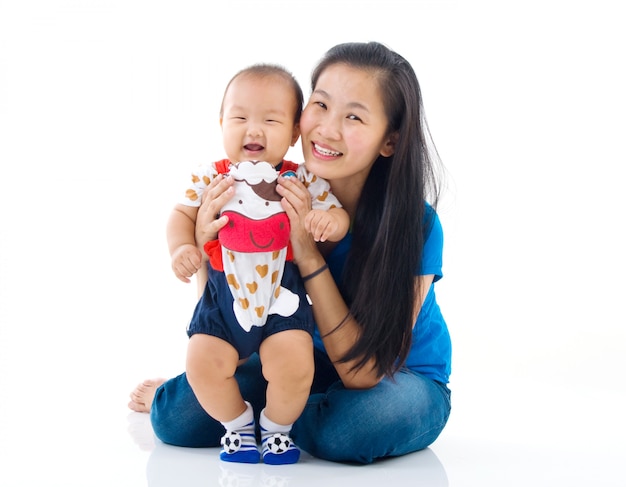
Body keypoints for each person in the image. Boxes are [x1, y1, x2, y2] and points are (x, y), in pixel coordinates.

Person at [129, 41, 452, 465]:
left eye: (353, 116)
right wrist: (214, 247)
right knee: (178, 420)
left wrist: (309, 254)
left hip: (394, 377)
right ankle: (280, 410)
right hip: (297, 352)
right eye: (320, 104)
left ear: (389, 140)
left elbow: (365, 373)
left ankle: (279, 419)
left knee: (354, 427)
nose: (327, 129)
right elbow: (232, 322)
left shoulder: (415, 224)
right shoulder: (273, 194)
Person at [165, 64, 349, 465]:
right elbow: (181, 215)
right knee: (201, 361)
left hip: (281, 297)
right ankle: (238, 425)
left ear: (294, 134)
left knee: (294, 363)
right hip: (222, 300)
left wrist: (328, 221)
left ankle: (277, 429)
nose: (254, 129)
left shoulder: (299, 179)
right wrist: (183, 248)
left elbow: (339, 216)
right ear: (221, 122)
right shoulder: (211, 177)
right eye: (240, 117)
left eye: (271, 120)